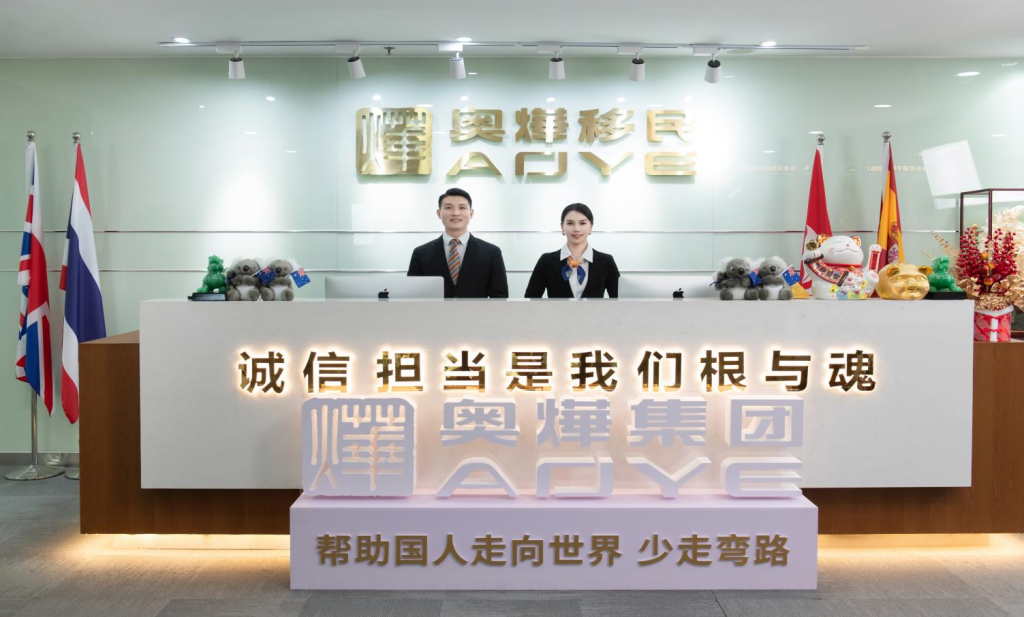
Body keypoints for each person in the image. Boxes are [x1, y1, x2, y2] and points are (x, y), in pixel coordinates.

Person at [407, 188, 509, 298]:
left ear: (471, 213)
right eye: (448, 207)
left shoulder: (491, 253)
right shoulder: (421, 253)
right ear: (439, 213)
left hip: (476, 310)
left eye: (462, 208)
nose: (455, 213)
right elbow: (412, 295)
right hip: (434, 310)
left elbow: (500, 298)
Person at [525, 203, 619, 299]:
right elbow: (530, 300)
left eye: (582, 223)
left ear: (591, 227)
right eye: (570, 223)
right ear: (562, 227)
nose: (576, 229)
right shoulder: (546, 261)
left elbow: (620, 301)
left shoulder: (606, 261)